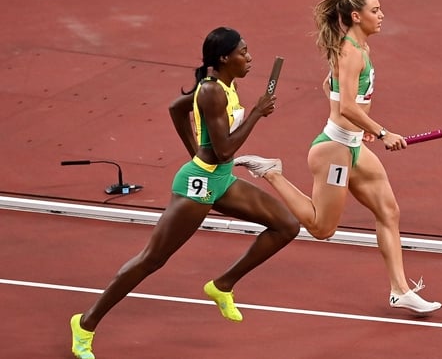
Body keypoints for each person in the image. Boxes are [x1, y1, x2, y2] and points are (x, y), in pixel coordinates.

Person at [69, 27, 300, 359]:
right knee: (152, 259)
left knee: (286, 226)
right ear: (224, 58)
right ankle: (85, 324)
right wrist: (256, 114)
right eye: (243, 52)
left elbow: (177, 108)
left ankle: (221, 285)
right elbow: (223, 151)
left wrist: (195, 148)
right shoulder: (212, 93)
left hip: (220, 179)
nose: (249, 58)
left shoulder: (225, 87)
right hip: (200, 183)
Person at [235, 0, 442, 314]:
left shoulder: (359, 47)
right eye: (376, 10)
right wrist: (382, 131)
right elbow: (346, 105)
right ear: (357, 16)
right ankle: (272, 172)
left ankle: (399, 290)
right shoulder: (351, 52)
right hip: (334, 150)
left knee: (389, 212)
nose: (382, 15)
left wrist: (363, 128)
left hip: (354, 146)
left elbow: (331, 89)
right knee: (322, 228)